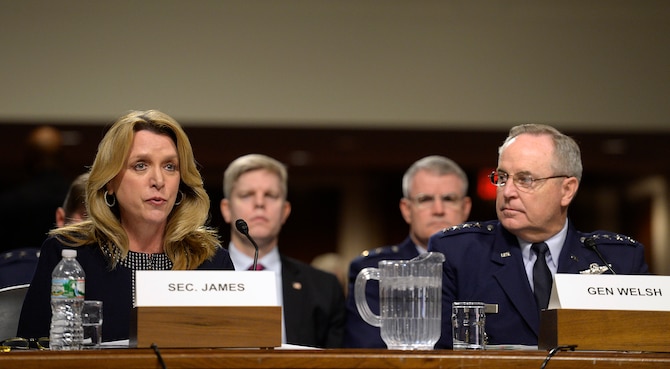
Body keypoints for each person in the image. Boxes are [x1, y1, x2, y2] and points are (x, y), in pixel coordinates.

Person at [18, 110, 235, 342]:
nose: (159, 181)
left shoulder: (210, 260)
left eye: (170, 167)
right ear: (110, 181)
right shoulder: (68, 255)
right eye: (141, 165)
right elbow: (30, 353)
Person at [428, 124, 649, 349]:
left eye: (525, 180)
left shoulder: (618, 261)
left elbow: (644, 351)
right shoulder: (458, 253)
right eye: (502, 177)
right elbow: (438, 355)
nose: (507, 192)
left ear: (567, 190)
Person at [344, 155, 472, 348]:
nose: (438, 209)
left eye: (448, 199)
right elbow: (369, 345)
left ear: (465, 208)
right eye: (425, 199)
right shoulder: (374, 268)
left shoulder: (486, 266)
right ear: (406, 209)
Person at [220, 154, 345, 348]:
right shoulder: (196, 275)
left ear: (285, 211)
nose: (260, 203)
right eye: (247, 195)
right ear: (226, 209)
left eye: (270, 195)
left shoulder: (324, 288)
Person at [0, 126, 70, 252]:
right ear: (62, 157)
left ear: (29, 158)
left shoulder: (10, 201)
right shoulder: (75, 199)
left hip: (16, 269)